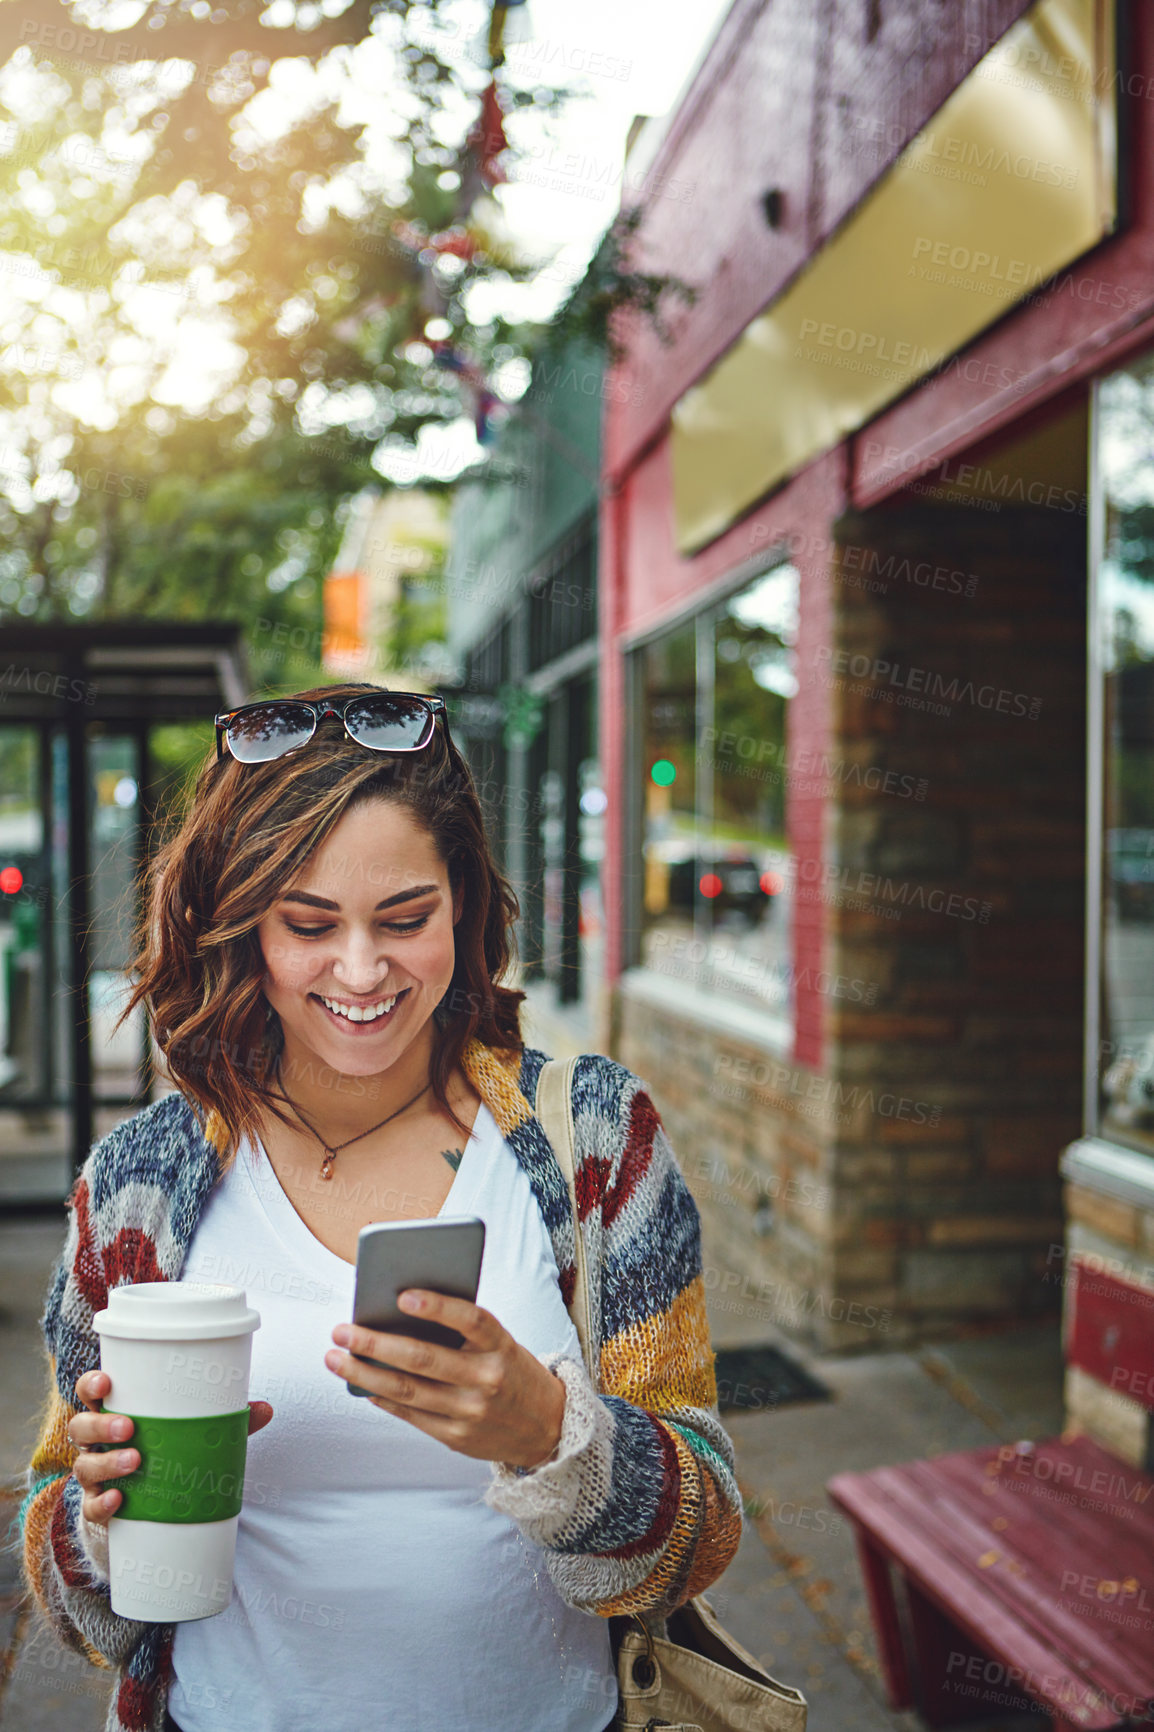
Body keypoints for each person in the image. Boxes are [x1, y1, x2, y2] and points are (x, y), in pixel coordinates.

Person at [20, 682, 744, 1732]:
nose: (360, 971)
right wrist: (95, 1526)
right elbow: (76, 1596)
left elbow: (703, 1536)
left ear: (462, 900)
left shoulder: (591, 1140)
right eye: (306, 924)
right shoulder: (139, 1184)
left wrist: (553, 1438)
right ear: (239, 925)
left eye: (404, 918)